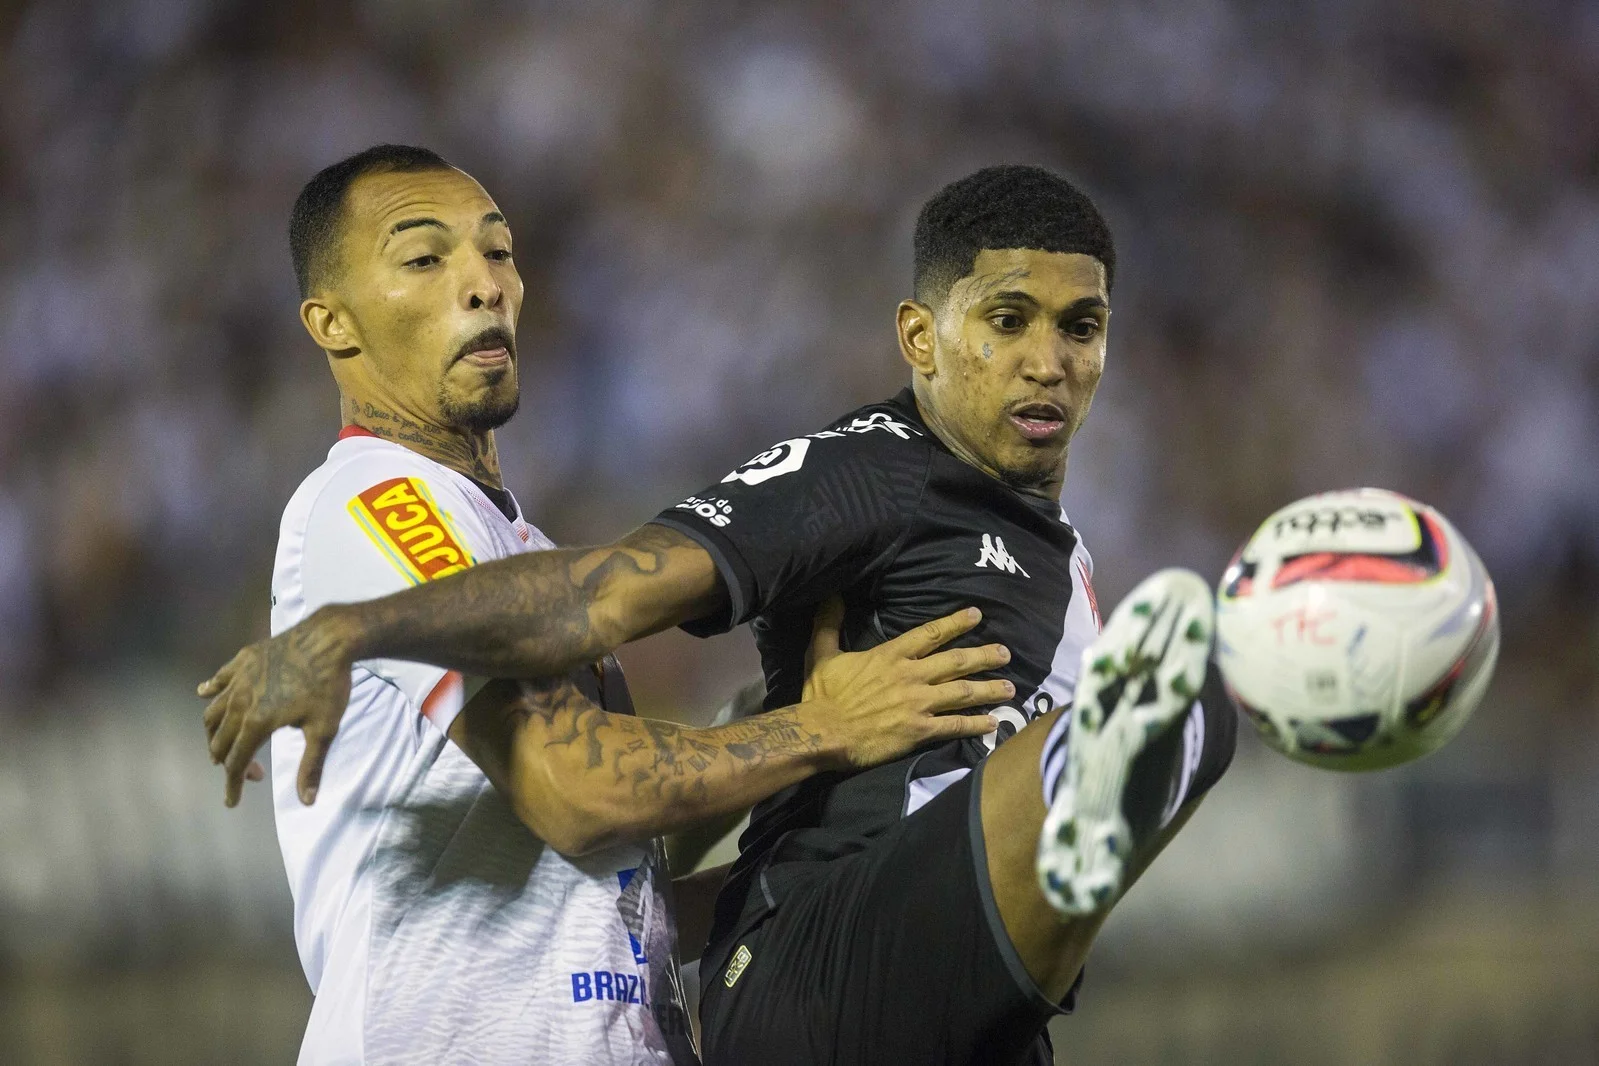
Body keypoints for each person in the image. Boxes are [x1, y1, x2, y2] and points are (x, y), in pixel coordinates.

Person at [202, 163, 1238, 1065]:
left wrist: (800, 799)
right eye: (424, 259)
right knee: (1184, 705)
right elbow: (573, 790)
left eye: (500, 251)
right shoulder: (374, 498)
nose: (485, 281)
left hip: (631, 1038)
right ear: (330, 319)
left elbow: (601, 876)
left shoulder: (505, 540)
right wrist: (820, 731)